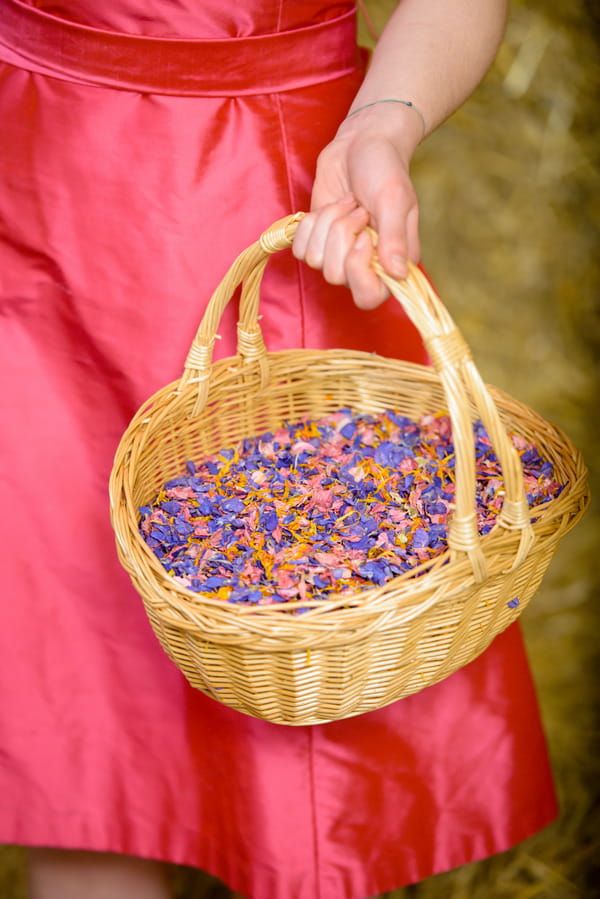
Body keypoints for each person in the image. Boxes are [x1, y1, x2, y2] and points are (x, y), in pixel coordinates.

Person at [0, 1, 557, 897]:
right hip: (37, 186)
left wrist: (388, 118)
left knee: (316, 701)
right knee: (81, 683)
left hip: (277, 182)